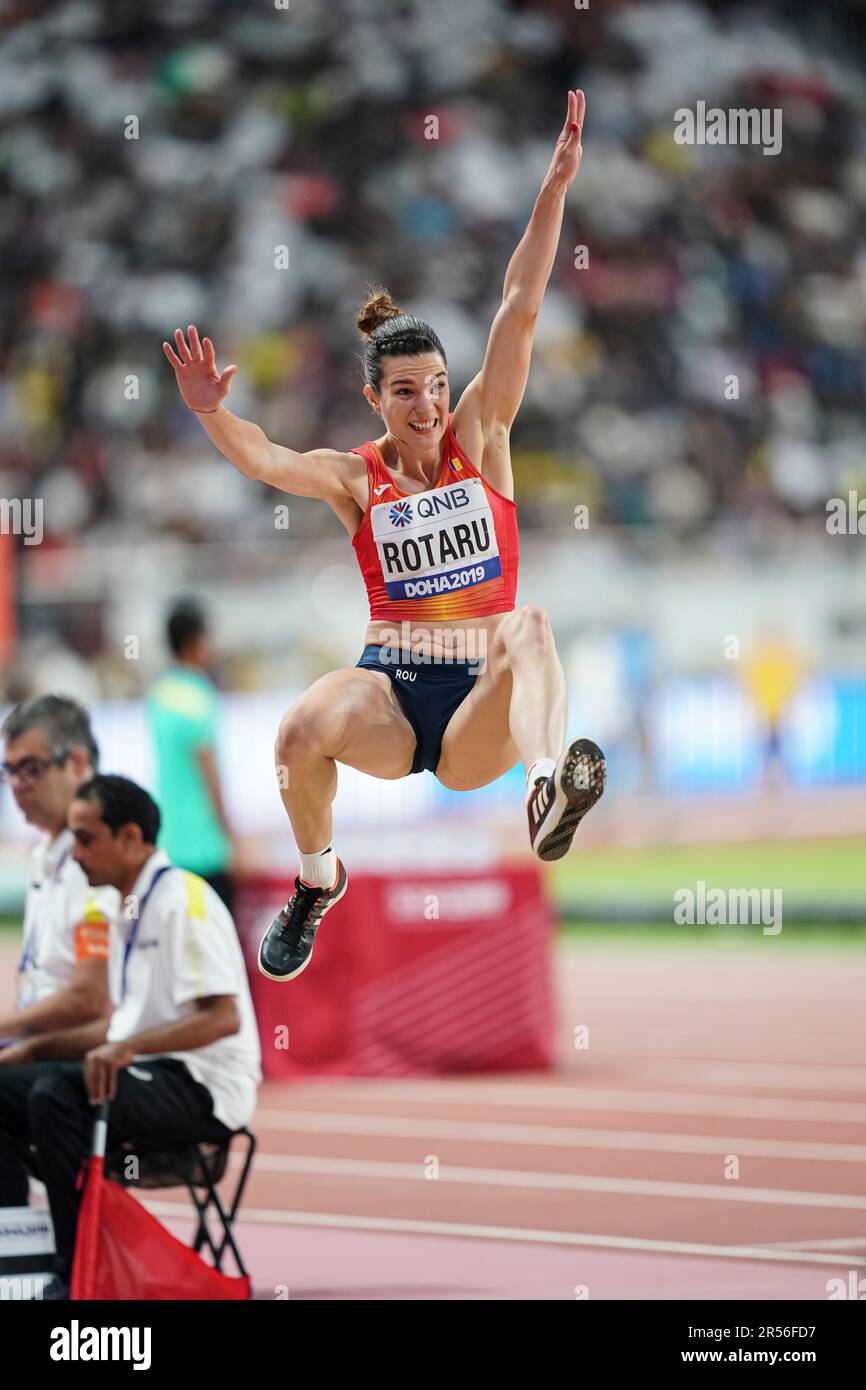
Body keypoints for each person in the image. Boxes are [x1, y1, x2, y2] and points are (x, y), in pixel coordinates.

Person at [163, 89, 606, 984]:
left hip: (478, 708)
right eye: (406, 392)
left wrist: (554, 190)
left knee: (533, 627)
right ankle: (317, 882)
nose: (428, 405)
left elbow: (520, 303)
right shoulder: (355, 476)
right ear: (376, 399)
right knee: (297, 729)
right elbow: (262, 458)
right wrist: (213, 412)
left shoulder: (483, 436)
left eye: (437, 385)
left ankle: (546, 792)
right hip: (394, 699)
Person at [0, 774, 261, 1300]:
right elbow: (119, 1029)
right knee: (8, 1086)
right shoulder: (126, 908)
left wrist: (129, 1048)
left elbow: (223, 1018)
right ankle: (10, 1255)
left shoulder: (186, 899)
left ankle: (76, 1270)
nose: (74, 855)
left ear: (132, 838)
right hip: (147, 1071)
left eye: (86, 838)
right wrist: (28, 1050)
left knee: (57, 1096)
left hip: (204, 1086)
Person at [0, 696, 115, 1044]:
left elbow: (90, 999)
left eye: (31, 769)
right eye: (9, 771)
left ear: (78, 764)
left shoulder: (103, 859)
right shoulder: (45, 856)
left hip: (82, 1055)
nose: (17, 785)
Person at [146, 598, 235, 914]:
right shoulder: (198, 696)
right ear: (196, 642)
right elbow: (210, 776)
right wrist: (230, 836)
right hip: (205, 846)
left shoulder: (159, 693)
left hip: (169, 842)